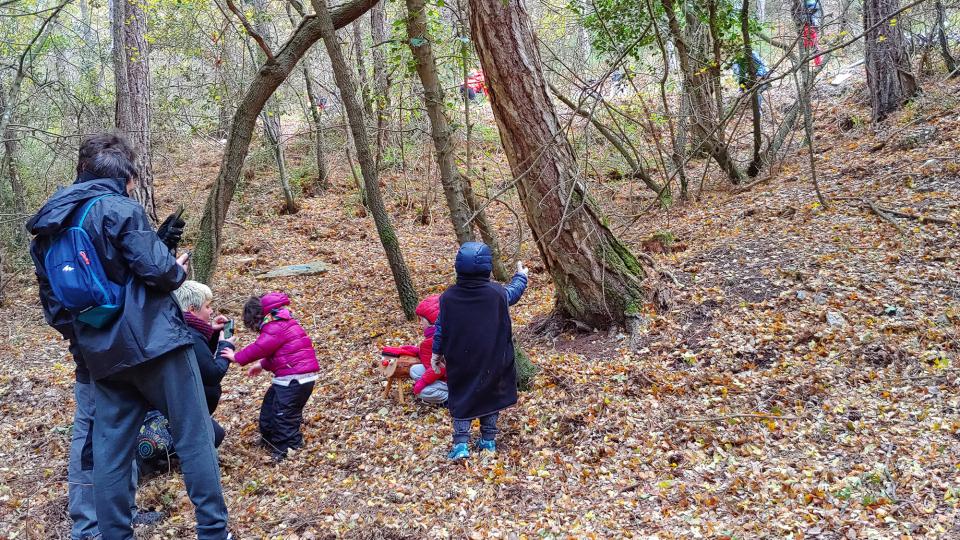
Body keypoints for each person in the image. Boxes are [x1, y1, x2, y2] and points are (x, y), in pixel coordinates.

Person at [26, 134, 230, 540]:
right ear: (127, 177)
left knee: (110, 454)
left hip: (102, 357)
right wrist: (176, 265)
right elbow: (162, 275)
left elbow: (56, 310)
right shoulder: (121, 209)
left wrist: (91, 340)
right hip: (158, 347)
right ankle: (213, 530)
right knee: (194, 436)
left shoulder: (46, 230)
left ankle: (115, 534)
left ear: (82, 170)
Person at [430, 242, 529, 460]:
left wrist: (436, 353)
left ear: (458, 267)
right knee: (490, 397)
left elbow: (440, 327)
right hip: (492, 359)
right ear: (487, 267)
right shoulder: (496, 293)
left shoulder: (449, 297)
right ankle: (488, 441)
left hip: (461, 361)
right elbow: (512, 293)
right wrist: (521, 277)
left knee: (463, 396)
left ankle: (461, 445)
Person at [137, 281, 235, 476]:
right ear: (192, 309)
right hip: (166, 411)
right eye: (208, 306)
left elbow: (200, 359)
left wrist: (214, 335)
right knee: (213, 435)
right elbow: (211, 373)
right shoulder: (189, 334)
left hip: (176, 405)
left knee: (212, 434)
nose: (211, 311)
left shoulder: (181, 327)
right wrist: (226, 348)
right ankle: (152, 451)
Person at [223, 292, 318, 460]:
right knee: (270, 406)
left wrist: (236, 357)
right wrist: (262, 365)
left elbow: (261, 347)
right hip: (290, 378)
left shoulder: (275, 326)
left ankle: (287, 447)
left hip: (295, 379)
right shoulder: (281, 322)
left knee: (284, 414)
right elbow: (281, 353)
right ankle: (269, 438)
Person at [381, 294, 447, 404]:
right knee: (414, 370)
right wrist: (417, 350)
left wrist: (423, 382)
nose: (420, 323)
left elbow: (440, 367)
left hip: (453, 379)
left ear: (432, 322)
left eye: (422, 320)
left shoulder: (435, 339)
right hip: (451, 374)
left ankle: (450, 398)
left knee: (422, 392)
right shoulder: (439, 334)